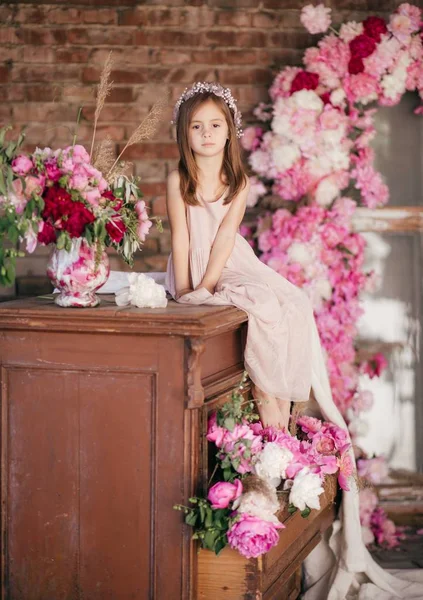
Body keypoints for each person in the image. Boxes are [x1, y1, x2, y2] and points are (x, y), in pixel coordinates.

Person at [165, 81, 423, 599]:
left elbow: (222, 242)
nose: (207, 134)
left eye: (216, 125)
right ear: (184, 134)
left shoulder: (237, 182)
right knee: (259, 306)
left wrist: (213, 286)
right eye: (197, 126)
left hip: (228, 264)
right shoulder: (178, 178)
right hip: (190, 269)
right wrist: (192, 293)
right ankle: (272, 412)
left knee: (289, 302)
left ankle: (278, 409)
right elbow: (183, 237)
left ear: (229, 132)